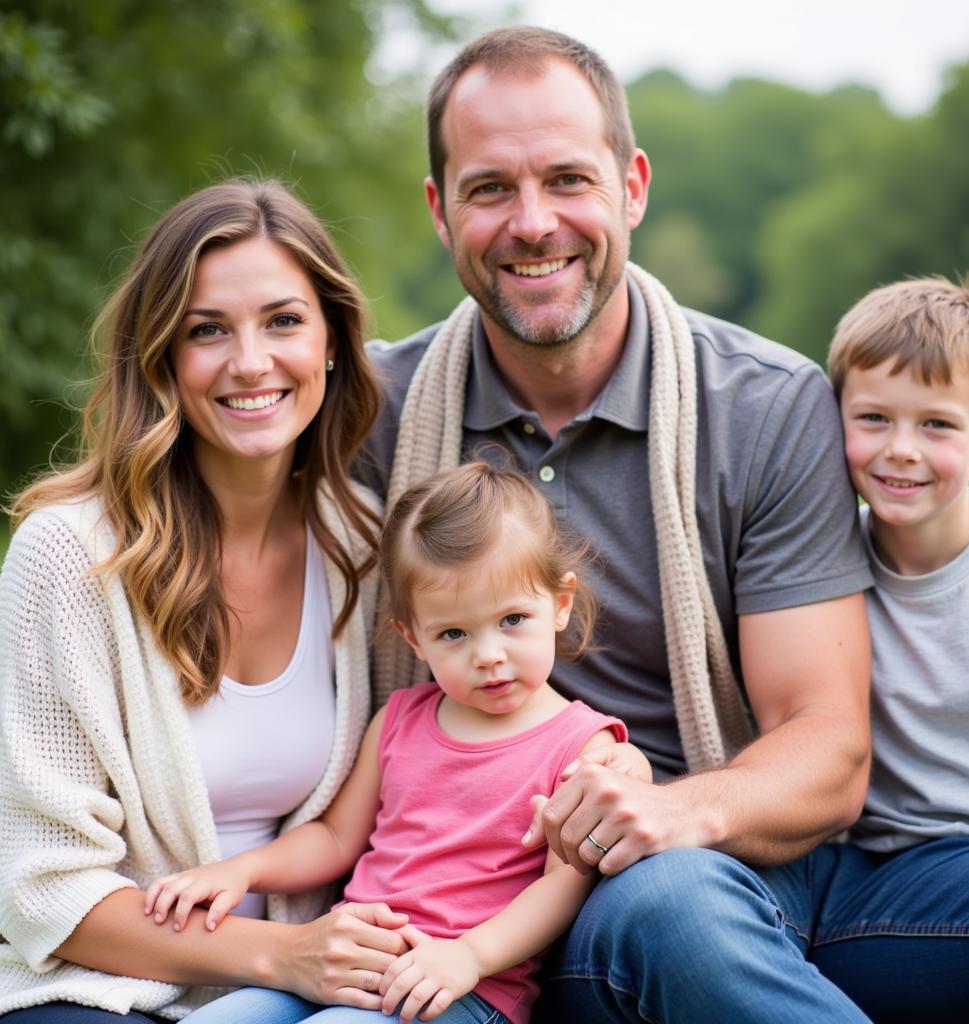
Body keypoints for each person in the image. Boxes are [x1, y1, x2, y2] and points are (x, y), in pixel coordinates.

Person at [360, 25, 876, 1023]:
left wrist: (675, 810)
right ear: (439, 211)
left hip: (698, 869)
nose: (532, 222)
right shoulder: (370, 412)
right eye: (488, 190)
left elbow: (827, 745)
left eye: (566, 179)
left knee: (669, 900)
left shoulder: (765, 406)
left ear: (632, 186)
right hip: (449, 905)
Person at [0, 179, 411, 1021]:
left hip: (309, 993)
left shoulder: (365, 546)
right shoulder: (69, 556)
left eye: (284, 321)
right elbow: (43, 888)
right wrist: (282, 956)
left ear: (332, 342)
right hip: (100, 991)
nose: (251, 362)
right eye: (207, 331)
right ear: (160, 359)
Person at [143, 461, 638, 1024]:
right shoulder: (400, 721)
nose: (488, 655)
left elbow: (564, 887)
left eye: (512, 619)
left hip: (461, 989)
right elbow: (334, 838)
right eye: (454, 633)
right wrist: (242, 871)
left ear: (560, 604)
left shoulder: (581, 744)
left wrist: (470, 955)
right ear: (414, 638)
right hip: (347, 969)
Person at [781, 275, 969, 1023]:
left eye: (937, 426)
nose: (901, 451)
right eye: (874, 418)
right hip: (857, 869)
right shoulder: (809, 569)